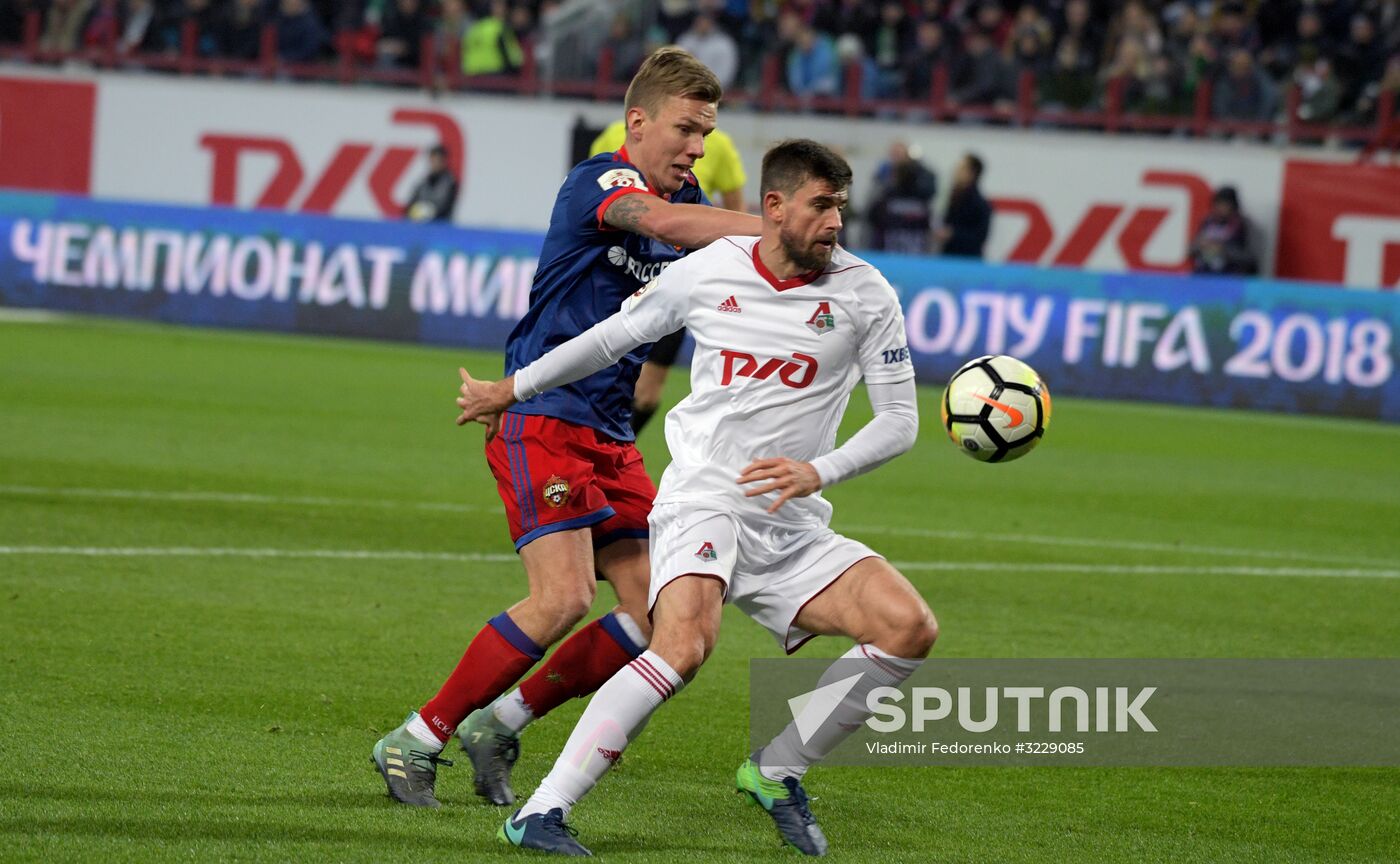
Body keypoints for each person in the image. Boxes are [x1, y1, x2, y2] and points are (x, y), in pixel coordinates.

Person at [454, 139, 937, 857]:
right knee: (682, 645)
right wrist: (511, 388)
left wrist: (819, 472)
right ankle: (541, 811)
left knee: (909, 629)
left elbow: (901, 422)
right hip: (704, 496)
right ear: (774, 207)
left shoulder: (866, 293)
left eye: (842, 206)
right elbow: (608, 338)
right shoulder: (709, 272)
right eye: (821, 206)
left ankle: (776, 770)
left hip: (791, 520)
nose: (836, 223)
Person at [370, 46, 759, 810]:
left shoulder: (684, 214)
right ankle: (417, 737)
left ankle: (503, 723)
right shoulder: (602, 182)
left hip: (611, 436)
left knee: (658, 618)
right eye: (686, 129)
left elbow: (685, 294)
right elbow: (667, 223)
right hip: (543, 420)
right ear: (637, 121)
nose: (698, 148)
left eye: (707, 133)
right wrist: (775, 223)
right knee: (562, 598)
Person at [589, 116, 749, 433]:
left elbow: (735, 216)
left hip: (674, 285)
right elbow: (591, 200)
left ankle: (610, 451)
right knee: (598, 378)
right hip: (619, 276)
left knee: (646, 395)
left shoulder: (720, 147)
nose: (696, 147)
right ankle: (596, 453)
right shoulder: (612, 135)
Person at [866, 140, 937, 254]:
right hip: (896, 247)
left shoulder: (890, 195)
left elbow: (872, 216)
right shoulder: (883, 180)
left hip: (901, 248)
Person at [1189, 185, 1257, 275]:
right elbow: (1190, 251)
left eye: (1226, 205)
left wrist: (1223, 250)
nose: (1221, 208)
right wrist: (1200, 246)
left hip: (1228, 277)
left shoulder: (1242, 225)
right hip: (1203, 275)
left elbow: (1250, 259)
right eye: (1218, 204)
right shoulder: (1207, 222)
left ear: (1234, 206)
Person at [938, 153, 992, 259]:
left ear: (971, 173)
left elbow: (980, 236)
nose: (955, 171)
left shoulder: (980, 204)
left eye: (961, 168)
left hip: (967, 260)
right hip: (949, 257)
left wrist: (953, 234)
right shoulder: (953, 197)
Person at [404, 145, 459, 223]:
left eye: (438, 160)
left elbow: (445, 208)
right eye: (433, 160)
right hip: (419, 225)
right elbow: (410, 205)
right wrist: (416, 212)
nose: (435, 164)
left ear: (444, 161)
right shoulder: (422, 182)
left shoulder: (450, 183)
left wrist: (428, 213)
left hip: (439, 226)